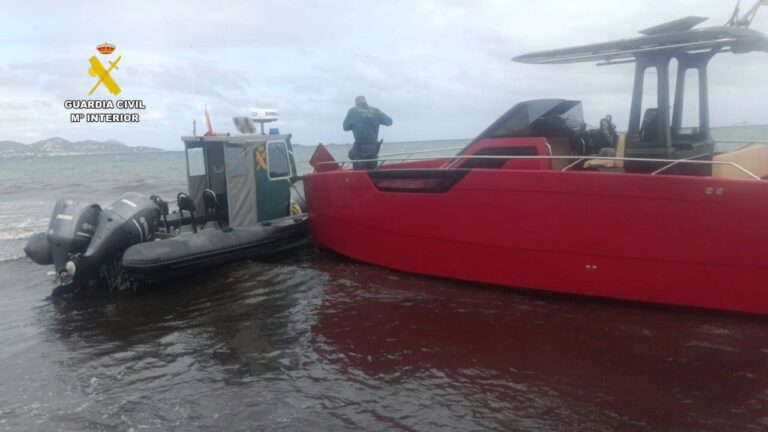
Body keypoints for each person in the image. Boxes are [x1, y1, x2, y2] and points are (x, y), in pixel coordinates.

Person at [343, 96, 393, 170]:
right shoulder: (376, 111)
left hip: (360, 149)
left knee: (359, 175)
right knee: (372, 173)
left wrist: (357, 125)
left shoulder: (353, 111)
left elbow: (345, 127)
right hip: (373, 149)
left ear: (356, 103)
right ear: (365, 101)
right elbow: (389, 122)